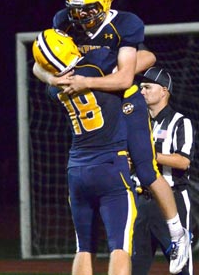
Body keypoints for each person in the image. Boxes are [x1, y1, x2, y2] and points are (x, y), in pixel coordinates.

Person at [33, 0, 191, 274]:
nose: (80, 15)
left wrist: (76, 80)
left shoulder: (125, 24)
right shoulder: (64, 25)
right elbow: (41, 66)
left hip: (125, 98)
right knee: (129, 178)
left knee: (146, 170)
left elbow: (128, 75)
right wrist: (55, 75)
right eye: (76, 9)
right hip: (100, 101)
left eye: (88, 8)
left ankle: (176, 232)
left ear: (105, 2)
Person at [32, 28, 138, 275]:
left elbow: (40, 68)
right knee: (120, 247)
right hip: (110, 165)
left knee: (83, 247)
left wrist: (50, 76)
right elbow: (144, 59)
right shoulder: (96, 66)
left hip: (77, 170)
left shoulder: (55, 88)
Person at [132, 66, 195, 275]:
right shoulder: (138, 123)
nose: (142, 92)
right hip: (142, 201)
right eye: (141, 88)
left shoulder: (180, 122)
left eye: (147, 87)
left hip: (173, 200)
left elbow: (183, 161)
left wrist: (149, 157)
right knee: (134, 267)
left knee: (181, 269)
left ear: (164, 91)